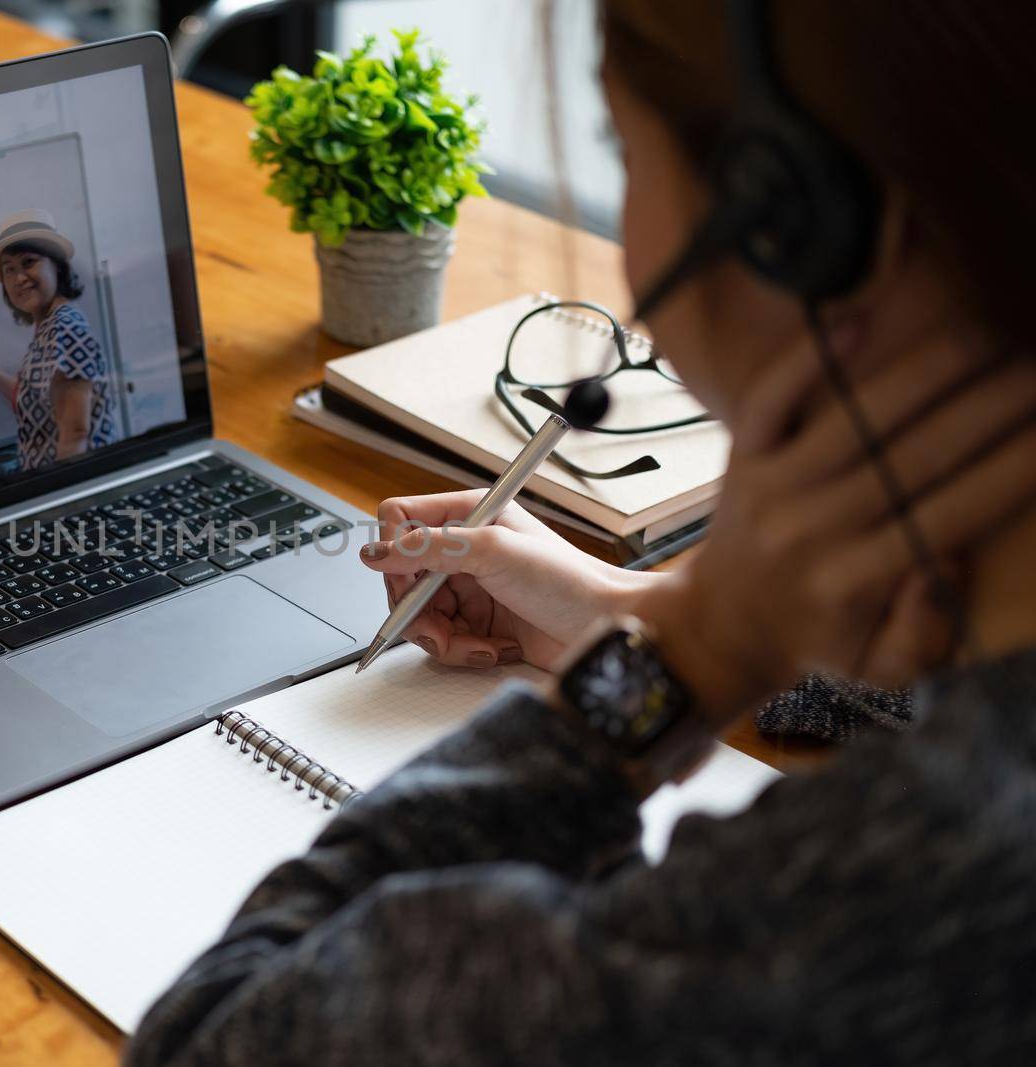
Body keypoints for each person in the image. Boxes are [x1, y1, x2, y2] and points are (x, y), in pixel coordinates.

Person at [125, 2, 1036, 1063]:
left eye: (619, 149)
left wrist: (676, 656)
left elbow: (209, 1040)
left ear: (789, 222)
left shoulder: (844, 925)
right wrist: (633, 609)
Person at [0, 209, 118, 470]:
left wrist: (59, 501)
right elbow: (35, 399)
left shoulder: (66, 329)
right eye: (9, 270)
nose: (19, 278)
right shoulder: (49, 329)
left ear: (57, 265)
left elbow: (75, 435)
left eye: (29, 262)